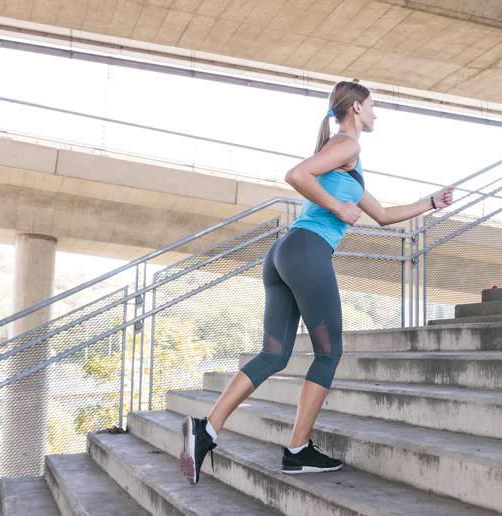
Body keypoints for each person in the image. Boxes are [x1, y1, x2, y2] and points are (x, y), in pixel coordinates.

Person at [180, 79, 454, 484]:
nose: (376, 113)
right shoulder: (348, 145)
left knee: (274, 355)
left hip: (284, 255)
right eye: (373, 106)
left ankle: (206, 430)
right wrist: (338, 207)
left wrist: (431, 202)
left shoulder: (346, 160)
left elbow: (383, 215)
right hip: (307, 251)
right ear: (357, 107)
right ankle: (297, 450)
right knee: (329, 353)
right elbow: (296, 175)